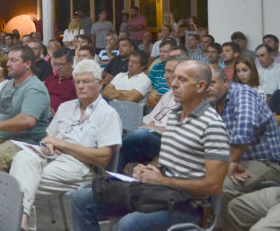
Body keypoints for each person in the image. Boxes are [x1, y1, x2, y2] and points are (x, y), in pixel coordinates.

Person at [73, 60, 230, 231]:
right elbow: (166, 155)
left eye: (182, 80)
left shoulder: (212, 125)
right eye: (174, 78)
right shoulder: (176, 115)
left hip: (186, 205)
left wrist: (163, 180)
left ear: (200, 86)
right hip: (156, 193)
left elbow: (213, 185)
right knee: (81, 199)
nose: (174, 84)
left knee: (129, 224)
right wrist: (148, 169)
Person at [10, 59, 122, 229]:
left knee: (22, 180)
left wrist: (62, 144)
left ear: (99, 83)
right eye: (77, 82)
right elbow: (47, 139)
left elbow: (103, 158)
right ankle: (22, 222)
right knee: (22, 157)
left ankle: (19, 222)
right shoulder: (65, 107)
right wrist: (47, 147)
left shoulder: (108, 114)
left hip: (81, 167)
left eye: (86, 81)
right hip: (52, 158)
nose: (81, 86)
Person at [206, 64, 280, 229]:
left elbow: (245, 126)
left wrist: (231, 162)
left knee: (222, 186)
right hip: (236, 160)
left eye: (212, 83)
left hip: (265, 162)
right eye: (203, 84)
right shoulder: (214, 101)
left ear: (225, 81)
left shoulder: (243, 94)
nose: (207, 88)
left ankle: (224, 228)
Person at [116, 54, 188, 173]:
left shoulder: (190, 98)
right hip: (152, 134)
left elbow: (183, 132)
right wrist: (149, 126)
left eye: (170, 71)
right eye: (165, 71)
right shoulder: (168, 94)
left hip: (167, 140)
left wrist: (155, 128)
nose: (165, 76)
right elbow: (152, 119)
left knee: (139, 135)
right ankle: (113, 180)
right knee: (118, 139)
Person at [0, 46, 50, 172]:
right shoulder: (9, 85)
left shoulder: (34, 89)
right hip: (3, 136)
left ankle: (15, 190)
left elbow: (27, 120)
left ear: (27, 64)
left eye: (13, 61)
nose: (8, 64)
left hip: (25, 140)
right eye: (8, 60)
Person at [43, 48, 77, 115]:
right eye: (55, 64)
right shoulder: (49, 80)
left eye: (62, 64)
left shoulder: (77, 82)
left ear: (71, 63)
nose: (58, 68)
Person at [147, 39, 176, 108]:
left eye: (165, 52)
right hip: (152, 105)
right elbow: (149, 86)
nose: (162, 54)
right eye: (160, 51)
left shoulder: (177, 69)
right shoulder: (156, 67)